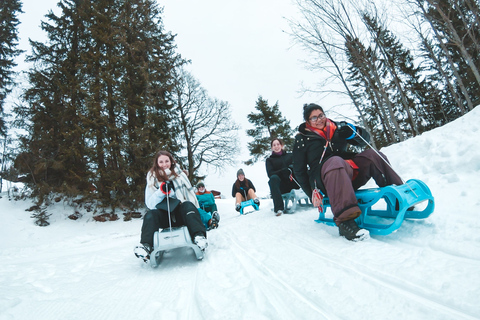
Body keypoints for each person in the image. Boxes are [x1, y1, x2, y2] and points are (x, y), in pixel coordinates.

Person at [292, 103, 403, 241]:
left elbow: (364, 140)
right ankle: (345, 222)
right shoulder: (302, 139)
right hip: (325, 180)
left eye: (321, 115)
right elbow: (299, 171)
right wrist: (312, 194)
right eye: (314, 118)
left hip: (348, 172)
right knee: (335, 162)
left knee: (373, 155)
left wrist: (354, 132)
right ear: (308, 122)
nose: (319, 119)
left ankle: (399, 198)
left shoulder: (338, 128)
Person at [134, 151, 208, 262]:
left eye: (166, 161)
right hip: (163, 216)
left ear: (171, 161)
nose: (164, 164)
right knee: (150, 215)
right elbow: (149, 204)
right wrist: (161, 191)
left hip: (181, 214)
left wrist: (173, 193)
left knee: (188, 205)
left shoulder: (180, 175)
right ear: (157, 163)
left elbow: (189, 197)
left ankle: (198, 237)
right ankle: (146, 246)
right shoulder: (151, 177)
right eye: (161, 162)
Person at [266, 138, 300, 216]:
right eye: (274, 145)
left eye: (278, 144)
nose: (276, 146)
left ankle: (316, 198)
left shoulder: (290, 155)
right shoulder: (269, 160)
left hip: (293, 182)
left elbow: (298, 165)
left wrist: (292, 167)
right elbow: (270, 173)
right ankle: (278, 208)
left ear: (281, 145)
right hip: (281, 186)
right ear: (272, 148)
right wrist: (282, 171)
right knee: (273, 179)